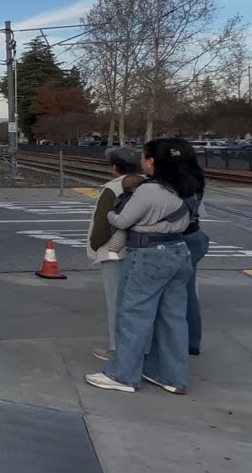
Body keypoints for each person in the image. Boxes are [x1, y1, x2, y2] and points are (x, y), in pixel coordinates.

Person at [86, 138, 193, 394]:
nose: (142, 161)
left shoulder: (148, 189)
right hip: (178, 252)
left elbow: (123, 220)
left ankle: (122, 375)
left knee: (133, 315)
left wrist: (113, 216)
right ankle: (172, 376)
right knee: (173, 318)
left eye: (145, 156)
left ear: (152, 161)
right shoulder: (183, 185)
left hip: (148, 255)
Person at [85, 147, 145, 362]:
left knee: (116, 301)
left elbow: (102, 224)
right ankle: (143, 347)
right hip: (144, 250)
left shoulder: (113, 189)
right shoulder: (151, 185)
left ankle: (115, 347)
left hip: (114, 252)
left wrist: (93, 248)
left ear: (114, 168)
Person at [172, 139, 209, 356]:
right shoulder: (196, 176)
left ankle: (173, 342)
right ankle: (191, 341)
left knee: (170, 294)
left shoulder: (173, 181)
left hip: (178, 238)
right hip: (195, 235)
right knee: (188, 292)